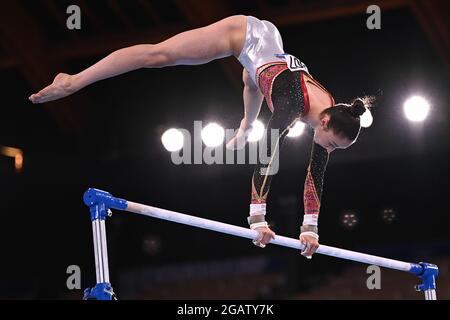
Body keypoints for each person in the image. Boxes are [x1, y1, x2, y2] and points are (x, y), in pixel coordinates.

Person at [29, 15, 373, 258]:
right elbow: (268, 159)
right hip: (244, 34)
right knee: (157, 56)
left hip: (268, 58)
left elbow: (316, 174)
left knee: (251, 81)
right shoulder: (294, 106)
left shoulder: (330, 107)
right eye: (330, 143)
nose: (327, 149)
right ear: (325, 122)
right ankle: (73, 80)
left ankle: (243, 123)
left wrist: (310, 228)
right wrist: (257, 218)